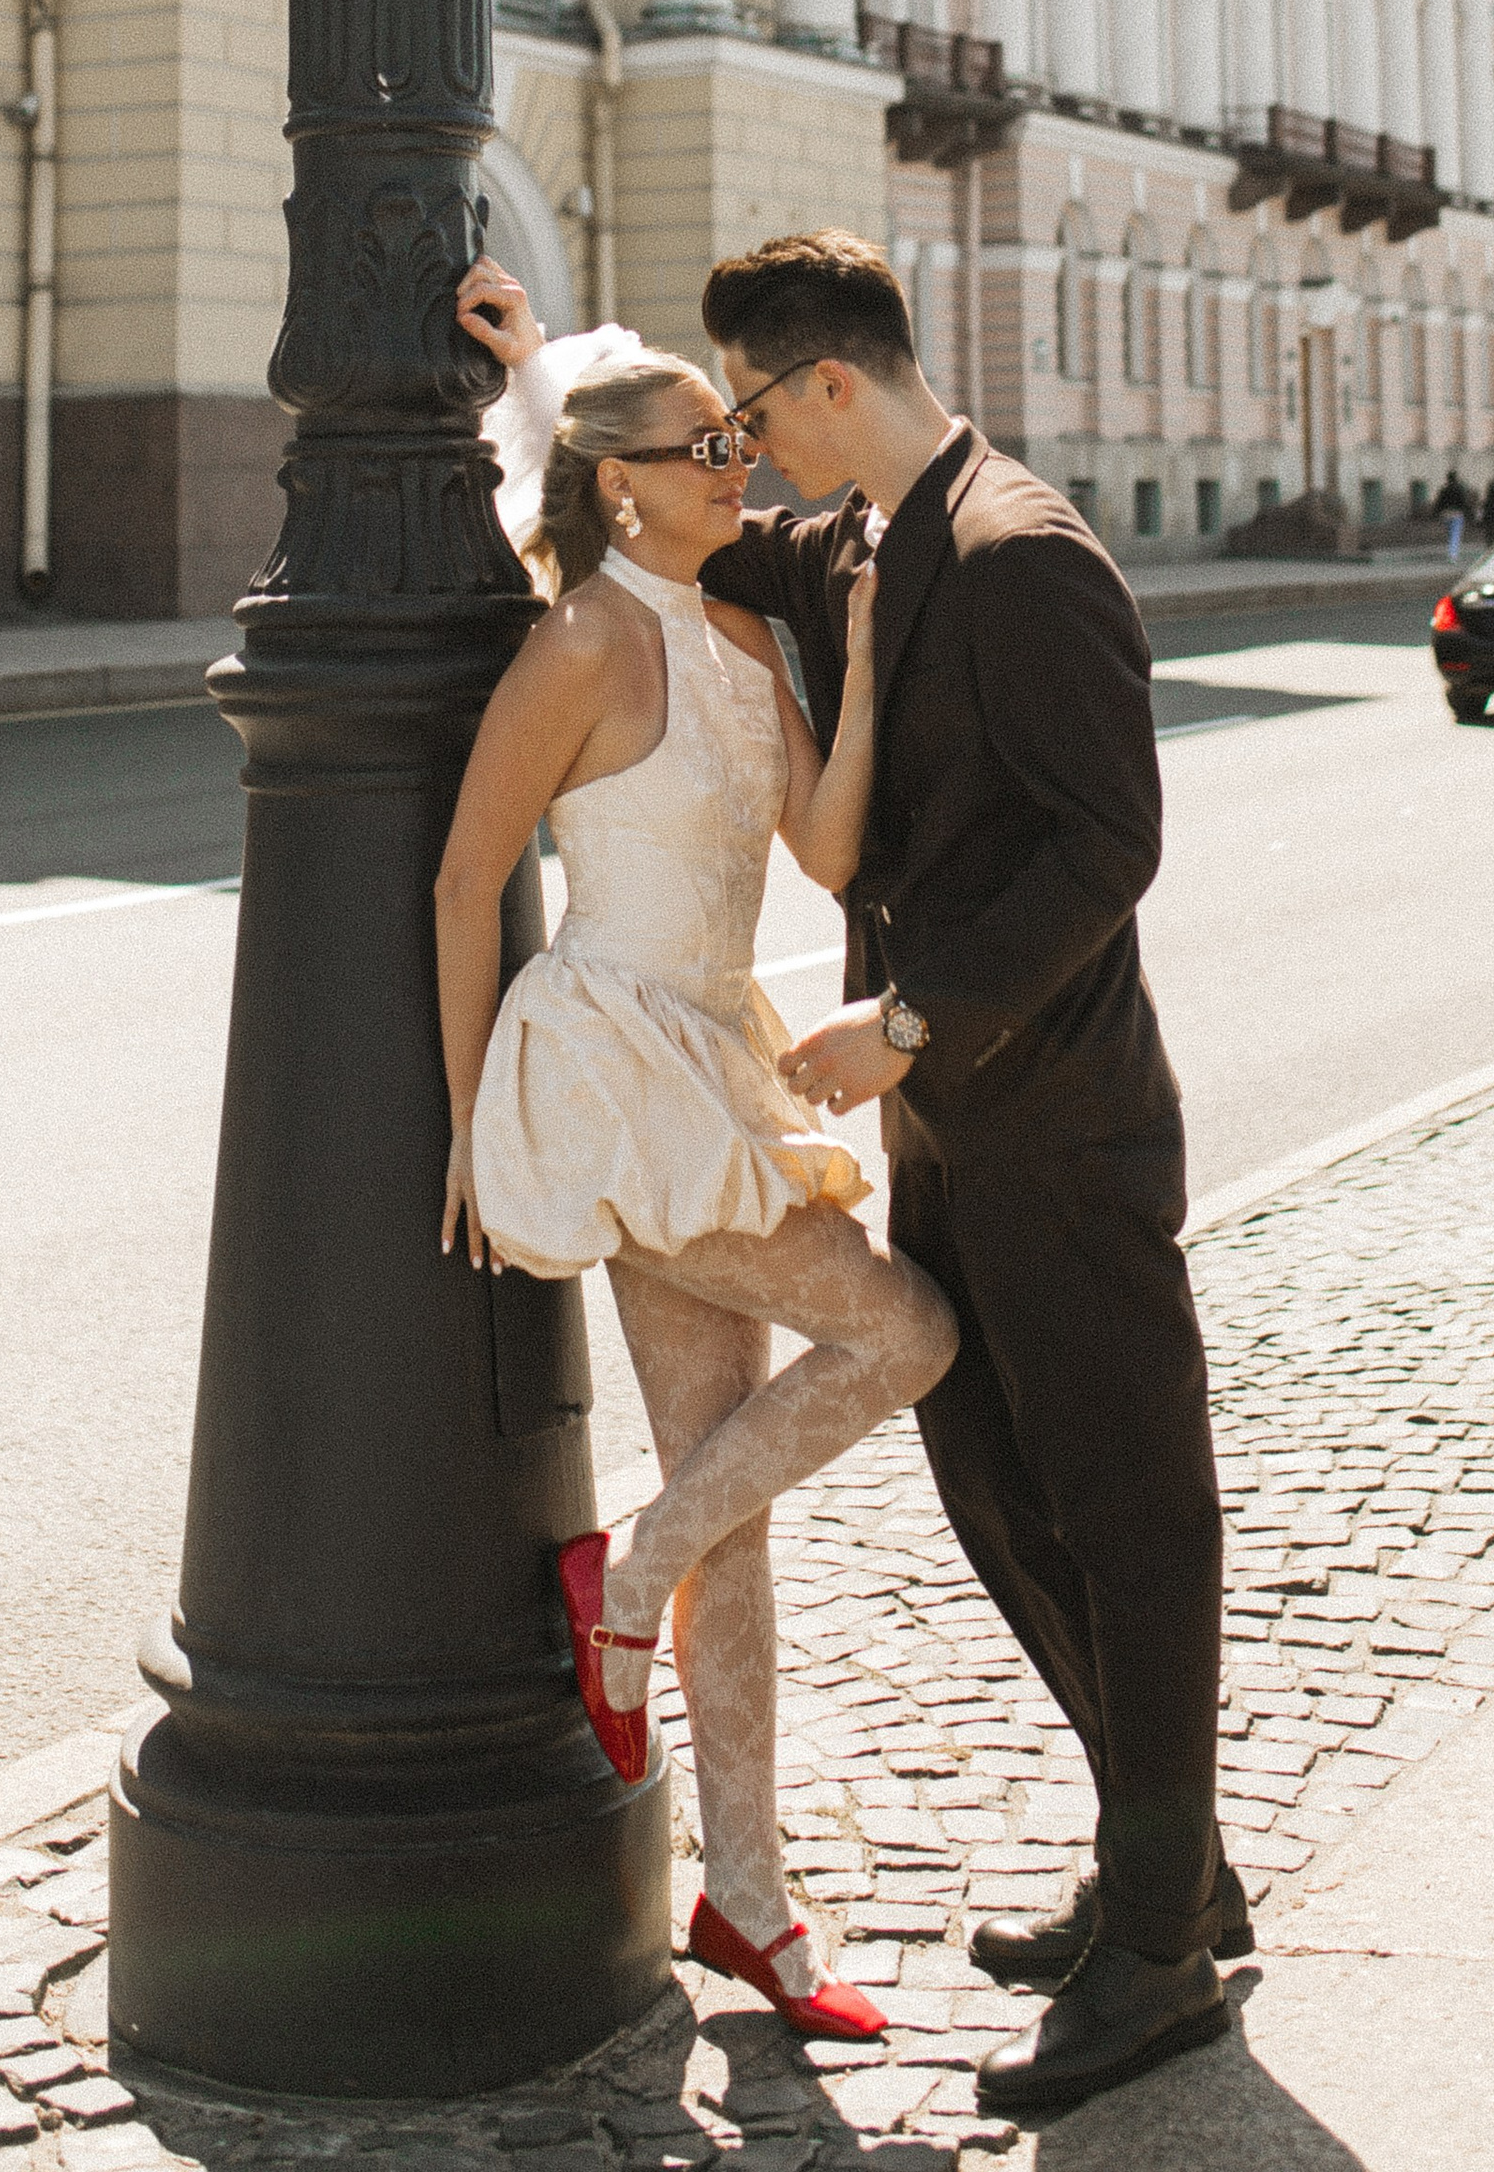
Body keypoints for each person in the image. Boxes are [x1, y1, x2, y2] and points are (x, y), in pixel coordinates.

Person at [693, 231, 1236, 2123]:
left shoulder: (1020, 553)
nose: (746, 452)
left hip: (1060, 1120)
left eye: (754, 409)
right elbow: (677, 524)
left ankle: (1163, 1952)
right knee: (998, 1475)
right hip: (953, 1131)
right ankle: (1173, 1857)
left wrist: (910, 1025)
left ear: (830, 381)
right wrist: (522, 374)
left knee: (1131, 1504)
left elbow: (1108, 845)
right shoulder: (858, 540)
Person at [431, 281, 958, 2045]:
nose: (743, 461)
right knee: (907, 1337)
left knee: (732, 1498)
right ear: (631, 483)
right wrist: (465, 1119)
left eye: (741, 437)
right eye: (710, 446)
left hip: (712, 1061)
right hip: (612, 1064)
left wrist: (864, 659)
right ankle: (628, 1574)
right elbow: (462, 880)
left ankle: (745, 1904)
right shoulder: (580, 638)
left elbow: (824, 847)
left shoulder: (742, 637)